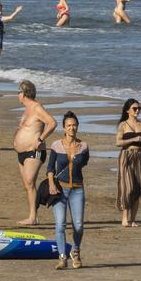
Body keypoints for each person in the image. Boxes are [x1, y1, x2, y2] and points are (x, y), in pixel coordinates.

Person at [48, 111, 90, 269]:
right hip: (60, 190)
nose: (72, 128)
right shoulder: (56, 146)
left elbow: (84, 163)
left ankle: (76, 251)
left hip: (77, 190)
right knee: (60, 224)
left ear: (77, 126)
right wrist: (52, 184)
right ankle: (62, 257)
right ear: (64, 128)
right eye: (69, 125)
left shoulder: (84, 147)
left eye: (74, 125)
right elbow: (50, 168)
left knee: (78, 225)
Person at [14, 80, 57, 226]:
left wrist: (40, 138)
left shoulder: (37, 107)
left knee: (29, 182)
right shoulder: (27, 109)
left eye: (18, 93)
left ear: (24, 93)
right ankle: (33, 215)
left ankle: (33, 217)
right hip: (22, 153)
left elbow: (52, 122)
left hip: (34, 152)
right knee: (27, 185)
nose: (18, 96)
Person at [115, 99, 141, 228]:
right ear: (127, 110)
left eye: (138, 108)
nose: (137, 111)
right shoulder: (123, 125)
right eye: (134, 108)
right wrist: (134, 139)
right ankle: (124, 218)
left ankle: (133, 219)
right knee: (128, 188)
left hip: (140, 157)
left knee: (137, 188)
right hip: (126, 156)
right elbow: (118, 142)